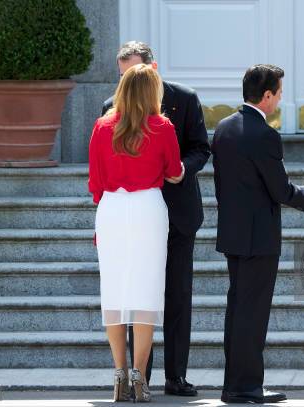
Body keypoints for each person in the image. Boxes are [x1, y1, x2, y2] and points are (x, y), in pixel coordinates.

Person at [102, 41, 210, 397]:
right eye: (122, 75)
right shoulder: (110, 109)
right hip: (133, 218)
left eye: (133, 72)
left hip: (176, 211)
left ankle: (176, 376)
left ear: (154, 67)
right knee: (134, 294)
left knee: (177, 295)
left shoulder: (185, 98)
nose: (126, 82)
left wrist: (181, 172)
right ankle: (138, 375)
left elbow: (201, 148)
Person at [212, 64, 304, 404]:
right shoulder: (265, 135)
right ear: (268, 95)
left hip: (232, 232)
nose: (281, 99)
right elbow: (279, 189)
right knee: (252, 314)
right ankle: (246, 387)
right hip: (259, 238)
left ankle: (234, 385)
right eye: (280, 93)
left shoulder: (224, 128)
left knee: (237, 309)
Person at [89, 64, 184, 402]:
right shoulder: (162, 126)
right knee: (146, 292)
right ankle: (139, 376)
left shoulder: (102, 126)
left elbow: (95, 182)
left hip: (112, 208)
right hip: (147, 208)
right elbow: (175, 173)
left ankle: (118, 374)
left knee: (114, 292)